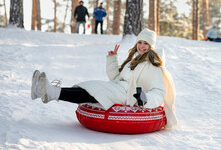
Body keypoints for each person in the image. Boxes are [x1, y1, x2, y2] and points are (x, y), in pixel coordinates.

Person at [31, 29, 178, 129]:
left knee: (95, 91)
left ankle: (51, 92)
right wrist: (113, 59)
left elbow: (159, 92)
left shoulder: (154, 66)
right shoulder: (134, 59)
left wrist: (144, 98)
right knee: (89, 85)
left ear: (151, 46)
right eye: (140, 42)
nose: (142, 46)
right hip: (118, 87)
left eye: (146, 43)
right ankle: (42, 91)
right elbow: (115, 77)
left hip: (128, 95)